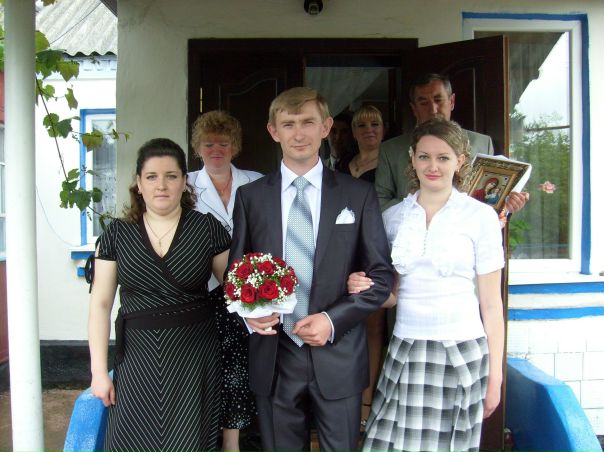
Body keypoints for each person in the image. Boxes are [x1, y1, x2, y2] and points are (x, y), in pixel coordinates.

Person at [228, 87, 395, 452]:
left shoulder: (357, 195)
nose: (299, 133)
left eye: (308, 122)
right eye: (288, 124)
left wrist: (332, 320)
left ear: (326, 127)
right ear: (273, 131)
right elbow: (236, 273)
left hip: (338, 351)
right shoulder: (251, 198)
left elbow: (381, 277)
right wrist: (250, 315)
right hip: (275, 353)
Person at [351, 118, 505, 452]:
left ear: (460, 161)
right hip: (406, 349)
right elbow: (392, 296)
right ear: (412, 158)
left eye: (443, 157)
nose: (432, 166)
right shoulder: (393, 218)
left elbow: (492, 306)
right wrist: (365, 289)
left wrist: (496, 377)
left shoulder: (481, 217)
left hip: (461, 352)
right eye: (424, 157)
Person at [88, 138, 231, 452]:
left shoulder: (207, 229)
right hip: (137, 359)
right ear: (139, 184)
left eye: (171, 176)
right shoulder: (116, 234)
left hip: (194, 359)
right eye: (151, 176)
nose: (161, 185)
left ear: (184, 182)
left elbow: (236, 289)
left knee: (189, 442)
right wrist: (98, 372)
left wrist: (265, 303)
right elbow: (100, 304)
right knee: (130, 441)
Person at [188, 111, 262, 452]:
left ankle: (232, 442)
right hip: (203, 289)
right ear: (197, 148)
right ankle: (201, 437)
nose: (216, 150)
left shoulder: (256, 181)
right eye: (208, 144)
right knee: (204, 366)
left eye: (223, 143)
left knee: (238, 367)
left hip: (248, 288)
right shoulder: (185, 185)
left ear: (235, 146)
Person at [375, 72, 528, 212]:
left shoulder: (482, 143)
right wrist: (424, 208)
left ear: (452, 101)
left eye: (438, 100)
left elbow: (490, 201)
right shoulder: (391, 150)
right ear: (414, 109)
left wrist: (507, 204)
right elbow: (380, 201)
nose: (433, 109)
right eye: (424, 102)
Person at [336, 104, 387, 428]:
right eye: (362, 125)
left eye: (375, 124)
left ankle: (367, 402)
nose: (369, 130)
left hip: (373, 248)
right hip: (343, 249)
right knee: (343, 322)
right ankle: (344, 397)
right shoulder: (344, 164)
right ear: (353, 132)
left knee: (372, 326)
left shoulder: (389, 163)